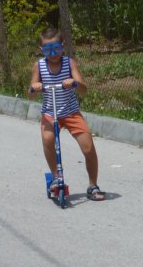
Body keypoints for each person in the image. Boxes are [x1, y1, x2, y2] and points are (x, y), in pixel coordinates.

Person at [29, 27, 106, 201]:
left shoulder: (69, 63)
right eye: (47, 50)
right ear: (41, 50)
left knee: (88, 147)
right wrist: (34, 88)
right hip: (50, 113)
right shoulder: (39, 66)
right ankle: (56, 177)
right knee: (48, 140)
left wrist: (75, 83)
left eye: (56, 49)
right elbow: (30, 94)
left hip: (71, 112)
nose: (53, 54)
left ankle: (92, 185)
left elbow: (84, 90)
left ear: (62, 46)